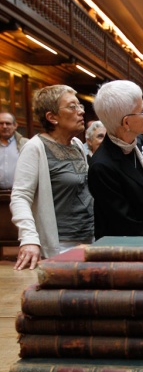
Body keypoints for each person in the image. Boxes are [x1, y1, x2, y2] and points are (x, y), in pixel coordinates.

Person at [10, 85, 94, 269]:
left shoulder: (77, 145)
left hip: (88, 238)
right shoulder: (35, 148)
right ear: (52, 117)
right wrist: (29, 238)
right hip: (61, 244)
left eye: (80, 106)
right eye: (72, 107)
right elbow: (20, 197)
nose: (81, 112)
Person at [89, 80, 143, 238]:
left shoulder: (140, 141)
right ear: (126, 122)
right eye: (142, 111)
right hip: (135, 248)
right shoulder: (102, 167)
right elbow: (125, 223)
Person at [0, 112, 28, 189]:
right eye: (1, 123)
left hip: (20, 193)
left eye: (8, 123)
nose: (4, 126)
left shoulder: (26, 144)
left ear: (15, 125)